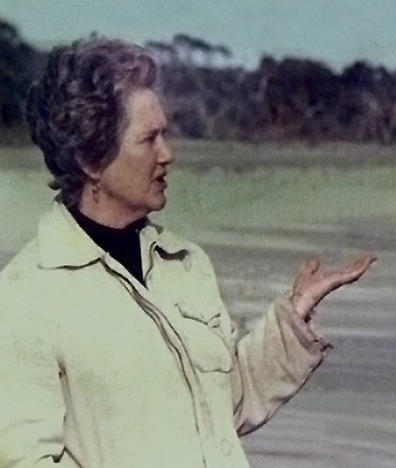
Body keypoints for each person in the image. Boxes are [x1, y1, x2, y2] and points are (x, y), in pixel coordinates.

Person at [0, 38, 374, 468]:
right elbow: (25, 460)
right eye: (149, 139)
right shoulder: (25, 297)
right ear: (90, 159)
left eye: (166, 134)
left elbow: (225, 405)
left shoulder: (186, 263)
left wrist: (291, 320)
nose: (168, 154)